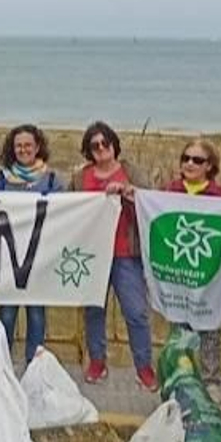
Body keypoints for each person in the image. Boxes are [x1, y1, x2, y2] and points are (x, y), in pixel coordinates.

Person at [72, 122, 157, 392]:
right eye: (94, 145)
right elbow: (68, 210)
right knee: (94, 311)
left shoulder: (131, 172)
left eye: (104, 143)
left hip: (125, 253)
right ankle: (97, 361)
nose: (100, 148)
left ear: (113, 144)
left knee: (136, 312)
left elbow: (151, 203)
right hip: (93, 254)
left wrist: (129, 192)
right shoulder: (80, 177)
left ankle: (143, 367)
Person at [162, 137, 221, 401]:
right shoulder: (169, 191)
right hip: (178, 273)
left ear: (210, 166)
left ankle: (210, 381)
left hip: (208, 275)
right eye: (186, 158)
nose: (190, 164)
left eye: (197, 160)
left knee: (210, 328)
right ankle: (179, 378)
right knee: (179, 330)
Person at [0, 124, 63, 366]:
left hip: (40, 258)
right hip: (9, 258)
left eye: (28, 145)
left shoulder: (51, 179)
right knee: (6, 314)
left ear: (37, 146)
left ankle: (35, 365)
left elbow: (66, 212)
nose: (23, 150)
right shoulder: (2, 179)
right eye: (18, 146)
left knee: (36, 314)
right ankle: (2, 363)